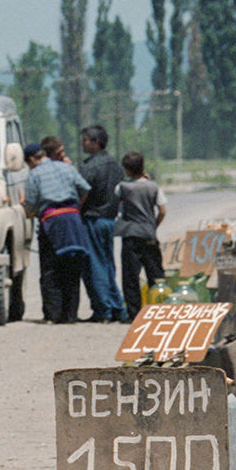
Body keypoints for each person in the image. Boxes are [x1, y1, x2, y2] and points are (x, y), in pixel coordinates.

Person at [20, 143, 91, 324]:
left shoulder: (34, 175)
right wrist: (76, 208)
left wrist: (25, 206)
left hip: (51, 221)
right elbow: (85, 188)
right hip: (73, 219)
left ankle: (53, 315)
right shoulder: (66, 168)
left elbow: (31, 207)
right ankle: (70, 315)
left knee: (50, 269)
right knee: (72, 267)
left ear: (30, 160)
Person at [77, 125, 127, 322]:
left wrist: (76, 210)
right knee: (107, 265)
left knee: (94, 266)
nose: (82, 143)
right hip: (109, 220)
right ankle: (117, 308)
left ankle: (102, 309)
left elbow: (82, 191)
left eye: (86, 140)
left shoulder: (90, 167)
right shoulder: (116, 165)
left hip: (92, 219)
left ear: (96, 143)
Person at [114, 151, 167, 320]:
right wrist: (153, 225)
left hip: (130, 235)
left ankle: (134, 313)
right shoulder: (153, 186)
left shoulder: (122, 187)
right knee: (155, 274)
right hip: (148, 234)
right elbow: (162, 210)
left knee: (131, 276)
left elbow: (117, 205)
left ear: (127, 170)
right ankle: (158, 310)